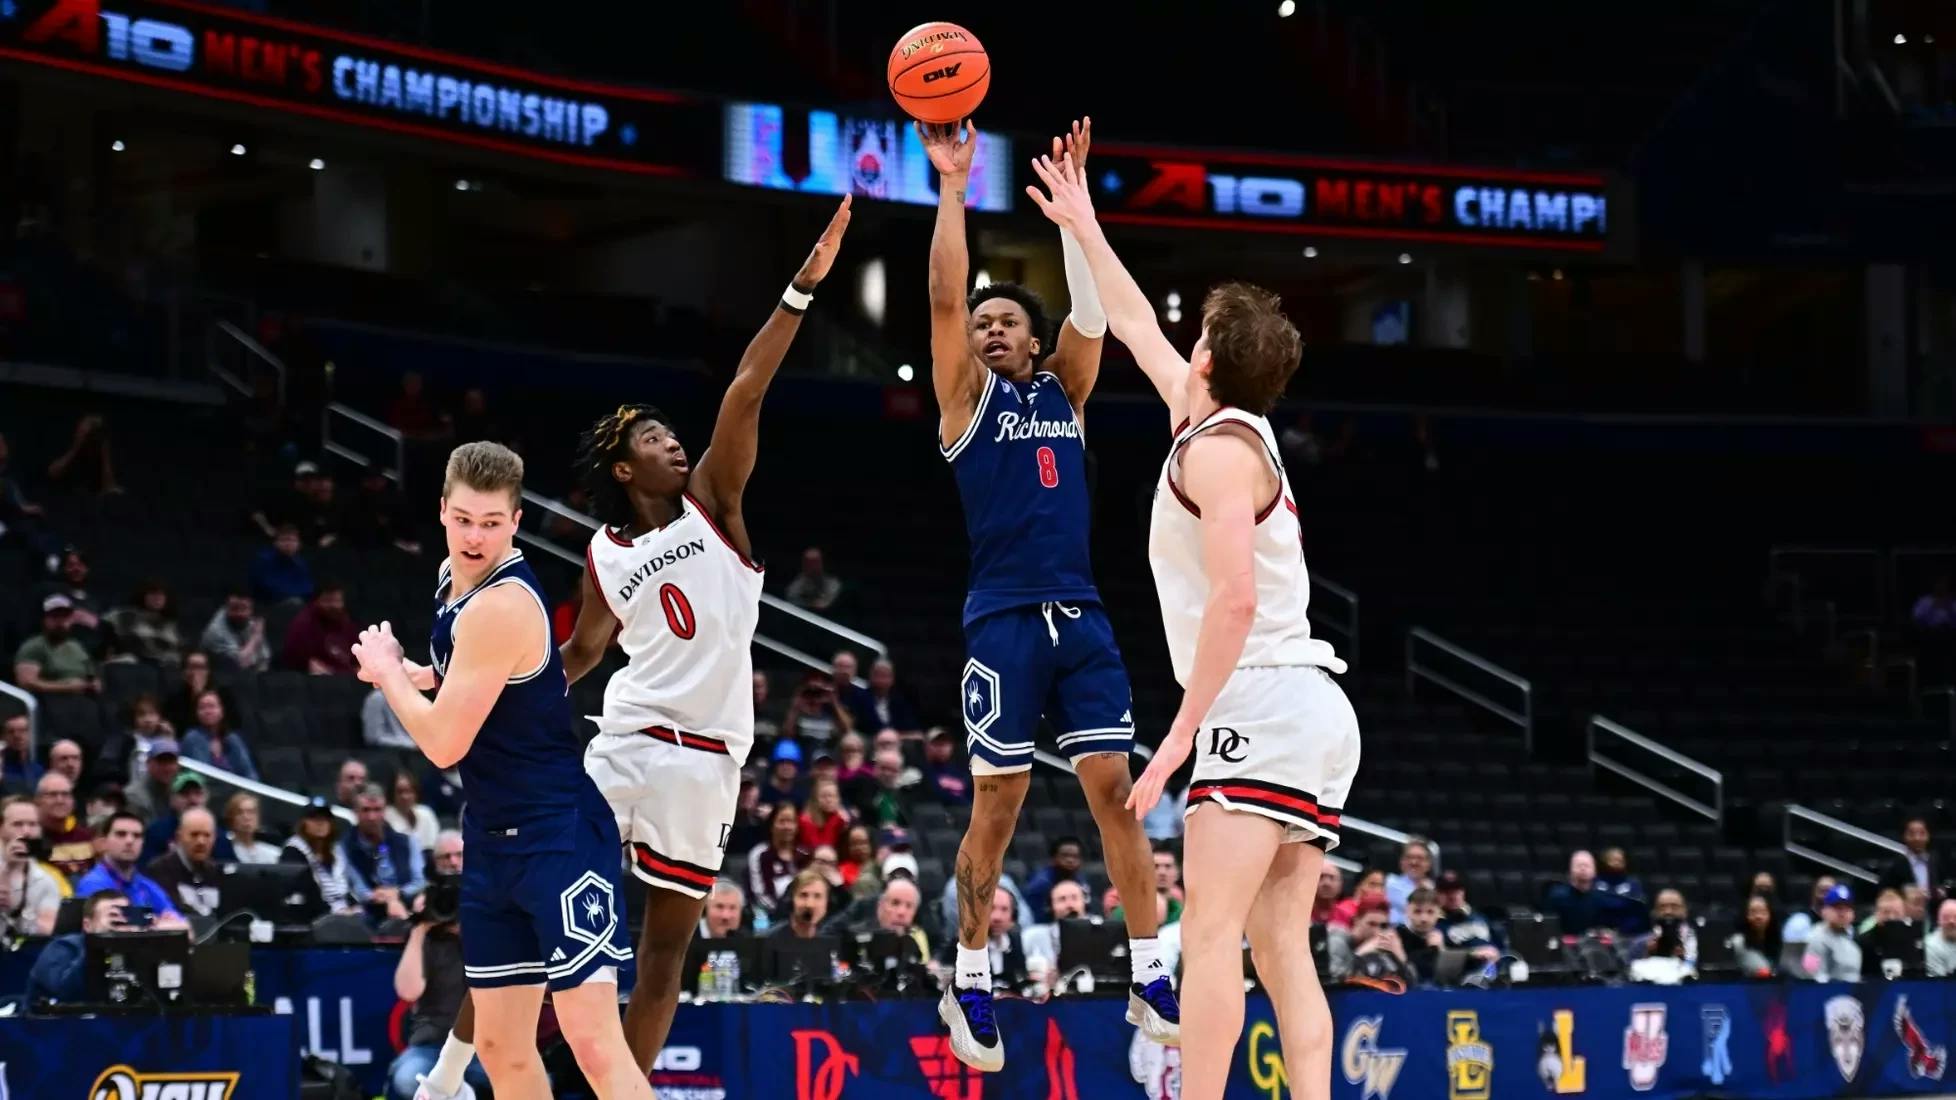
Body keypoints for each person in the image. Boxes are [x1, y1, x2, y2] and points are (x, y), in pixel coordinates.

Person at [1031, 146, 1359, 1099]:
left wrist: (1178, 740)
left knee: (1209, 935)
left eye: (1196, 337)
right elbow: (1131, 322)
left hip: (1256, 699)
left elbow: (1237, 600)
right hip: (1310, 709)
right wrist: (1080, 222)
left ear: (1210, 356)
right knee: (1278, 946)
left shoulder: (1216, 457)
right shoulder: (1221, 425)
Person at [555, 201, 851, 1082]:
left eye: (669, 432)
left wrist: (801, 288)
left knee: (662, 957)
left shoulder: (716, 502)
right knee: (549, 909)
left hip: (708, 760)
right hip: (625, 738)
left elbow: (745, 389)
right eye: (652, 438)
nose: (672, 440)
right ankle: (490, 1064)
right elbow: (582, 655)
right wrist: (499, 688)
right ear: (623, 469)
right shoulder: (605, 551)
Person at [920, 119, 1175, 1072]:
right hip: (1002, 618)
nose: (989, 329)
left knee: (1117, 795)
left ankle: (1151, 974)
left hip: (1085, 617)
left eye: (1006, 322)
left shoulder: (1063, 394)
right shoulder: (964, 401)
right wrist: (952, 189)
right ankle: (972, 977)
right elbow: (946, 295)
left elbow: (1096, 318)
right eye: (983, 324)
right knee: (1001, 804)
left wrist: (1075, 214)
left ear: (1033, 341)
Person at [350, 442, 646, 1100]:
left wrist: (389, 674)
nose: (475, 537)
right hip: (491, 840)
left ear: (515, 522)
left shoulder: (500, 605)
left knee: (593, 1042)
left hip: (557, 837)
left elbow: (444, 744)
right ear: (442, 513)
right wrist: (423, 673)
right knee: (501, 1047)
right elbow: (472, 679)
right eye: (463, 520)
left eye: (491, 523)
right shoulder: (451, 580)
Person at [388, 879, 490, 1100]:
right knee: (406, 1078)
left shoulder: (487, 932)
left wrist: (474, 928)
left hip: (485, 1047)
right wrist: (419, 929)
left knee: (533, 1081)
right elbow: (408, 992)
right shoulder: (425, 939)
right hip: (431, 1047)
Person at [73, 812, 184, 926]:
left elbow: (184, 928)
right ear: (104, 842)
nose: (130, 841)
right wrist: (157, 924)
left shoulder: (147, 885)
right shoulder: (93, 884)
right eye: (121, 834)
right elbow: (110, 930)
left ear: (142, 843)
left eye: (137, 836)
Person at [26, 889, 129, 1005]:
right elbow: (65, 994)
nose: (121, 920)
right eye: (113, 915)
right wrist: (97, 948)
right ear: (88, 925)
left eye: (126, 915)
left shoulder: (134, 950)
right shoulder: (63, 948)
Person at [343, 783, 426, 924]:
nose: (372, 817)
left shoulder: (408, 842)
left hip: (408, 911)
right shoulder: (344, 847)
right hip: (366, 916)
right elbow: (357, 888)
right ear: (355, 812)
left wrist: (398, 893)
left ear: (385, 810)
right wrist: (382, 898)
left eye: (377, 810)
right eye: (365, 810)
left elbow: (420, 881)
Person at [13, 594, 99, 696]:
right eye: (55, 616)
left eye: (65, 616)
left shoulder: (77, 646)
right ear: (44, 619)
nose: (60, 621)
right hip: (50, 703)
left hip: (83, 702)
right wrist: (65, 688)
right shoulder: (34, 646)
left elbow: (92, 675)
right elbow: (26, 683)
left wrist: (94, 684)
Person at [283, 797, 357, 914]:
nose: (320, 822)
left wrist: (355, 908)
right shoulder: (293, 851)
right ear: (304, 822)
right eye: (314, 818)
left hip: (345, 914)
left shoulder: (336, 850)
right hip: (317, 917)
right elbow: (303, 896)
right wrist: (336, 913)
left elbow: (345, 890)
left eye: (325, 818)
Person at [1, 796, 62, 935]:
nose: (26, 832)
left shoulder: (45, 880)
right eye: (17, 824)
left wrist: (18, 912)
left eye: (33, 824)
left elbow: (48, 929)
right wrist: (6, 870)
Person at [145, 807, 222, 917]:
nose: (201, 841)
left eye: (207, 835)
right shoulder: (160, 870)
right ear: (179, 837)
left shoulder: (217, 872)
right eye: (194, 835)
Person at [179, 690, 259, 781]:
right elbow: (200, 777)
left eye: (211, 706)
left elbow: (249, 773)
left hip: (237, 793)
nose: (207, 711)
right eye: (202, 708)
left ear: (221, 711)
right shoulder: (192, 738)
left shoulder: (233, 739)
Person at [282, 582, 358, 675]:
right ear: (316, 601)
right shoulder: (304, 623)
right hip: (316, 681)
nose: (334, 605)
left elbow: (356, 661)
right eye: (328, 601)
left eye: (337, 601)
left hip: (348, 679)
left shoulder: (347, 623)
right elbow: (296, 659)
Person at [746, 802, 805, 917]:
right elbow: (760, 894)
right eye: (782, 821)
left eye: (791, 821)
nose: (787, 827)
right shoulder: (760, 854)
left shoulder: (804, 854)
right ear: (772, 825)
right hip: (771, 916)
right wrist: (783, 914)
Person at [36, 771, 94, 879]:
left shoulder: (85, 837)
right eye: (52, 795)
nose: (60, 800)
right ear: (38, 800)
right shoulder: (31, 835)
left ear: (73, 801)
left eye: (65, 794)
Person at [109, 580, 182, 666]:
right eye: (153, 594)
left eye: (161, 594)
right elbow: (99, 624)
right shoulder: (126, 616)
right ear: (143, 596)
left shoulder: (171, 626)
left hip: (161, 670)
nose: (158, 598)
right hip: (132, 668)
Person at [1801, 884, 1863, 982]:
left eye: (1846, 908)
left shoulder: (1854, 941)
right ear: (1824, 911)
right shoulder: (1813, 938)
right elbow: (1810, 975)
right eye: (1837, 907)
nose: (1842, 913)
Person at [200, 591, 271, 673]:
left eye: (244, 608)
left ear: (251, 610)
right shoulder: (216, 631)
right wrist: (255, 637)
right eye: (234, 608)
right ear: (226, 607)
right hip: (217, 676)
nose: (239, 613)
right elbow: (239, 663)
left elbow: (265, 658)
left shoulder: (251, 622)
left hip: (245, 674)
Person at [250, 524, 315, 605]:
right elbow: (266, 585)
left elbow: (307, 587)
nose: (288, 544)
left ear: (299, 544)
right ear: (276, 543)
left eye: (293, 540)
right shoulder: (264, 559)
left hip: (298, 602)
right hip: (270, 604)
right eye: (284, 540)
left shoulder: (301, 563)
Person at [769, 868, 831, 941]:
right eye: (803, 895)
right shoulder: (768, 940)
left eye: (817, 896)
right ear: (791, 900)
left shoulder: (832, 939)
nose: (810, 904)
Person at [388, 771, 441, 852]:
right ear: (392, 793)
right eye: (400, 792)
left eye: (409, 791)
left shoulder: (426, 813)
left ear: (416, 793)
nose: (404, 796)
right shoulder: (386, 816)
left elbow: (435, 844)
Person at [1383, 838, 1432, 926]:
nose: (1414, 862)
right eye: (1409, 857)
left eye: (1420, 858)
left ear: (1428, 864)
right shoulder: (1390, 883)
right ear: (1401, 862)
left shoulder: (1434, 887)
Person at [224, 793, 281, 864]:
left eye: (251, 812)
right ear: (231, 818)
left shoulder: (273, 854)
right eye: (240, 812)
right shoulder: (224, 850)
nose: (246, 817)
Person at [1733, 893, 1781, 976]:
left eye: (1763, 912)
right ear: (1746, 915)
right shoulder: (1738, 942)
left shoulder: (1778, 940)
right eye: (1753, 912)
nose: (1758, 916)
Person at [1, 713, 40, 786]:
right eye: (11, 732)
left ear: (30, 734)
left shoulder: (37, 769)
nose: (17, 736)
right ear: (4, 736)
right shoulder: (1, 767)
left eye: (22, 730)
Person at [1928, 898, 1956, 978]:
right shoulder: (1930, 945)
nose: (1951, 921)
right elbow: (1941, 982)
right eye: (1946, 917)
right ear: (1938, 921)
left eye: (1955, 917)